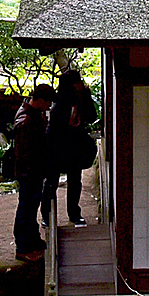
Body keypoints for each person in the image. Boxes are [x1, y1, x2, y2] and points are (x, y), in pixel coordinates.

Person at [43, 69, 97, 228]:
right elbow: (56, 126)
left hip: (75, 145)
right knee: (51, 182)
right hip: (57, 145)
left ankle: (75, 214)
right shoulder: (60, 102)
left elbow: (92, 116)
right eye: (76, 82)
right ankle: (47, 216)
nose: (79, 84)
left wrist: (85, 99)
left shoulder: (83, 97)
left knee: (75, 180)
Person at [11, 84, 56, 260]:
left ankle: (33, 241)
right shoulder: (26, 120)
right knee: (26, 209)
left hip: (33, 171)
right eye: (48, 102)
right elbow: (26, 151)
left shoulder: (32, 115)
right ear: (40, 101)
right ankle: (23, 248)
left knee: (30, 207)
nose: (49, 106)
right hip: (28, 172)